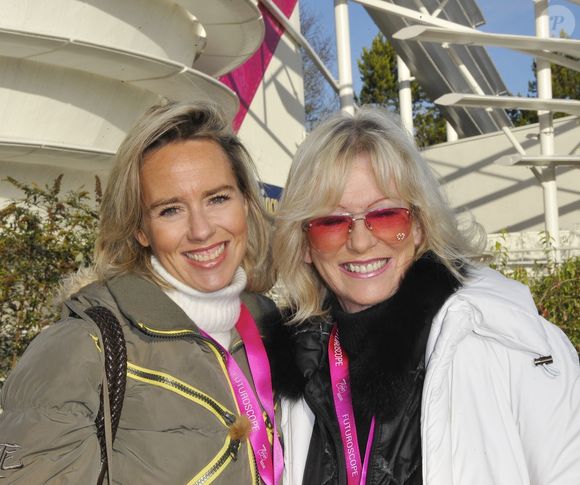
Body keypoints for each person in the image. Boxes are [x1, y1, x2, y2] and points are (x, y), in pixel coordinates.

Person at [272, 107, 580, 485]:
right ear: (304, 243)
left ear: (420, 226)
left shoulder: (510, 343)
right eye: (332, 222)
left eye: (386, 216)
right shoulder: (297, 370)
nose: (361, 242)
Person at [0, 101, 284, 484]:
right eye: (170, 210)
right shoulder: (81, 347)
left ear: (246, 203)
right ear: (140, 229)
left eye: (217, 198)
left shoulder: (276, 332)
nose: (201, 230)